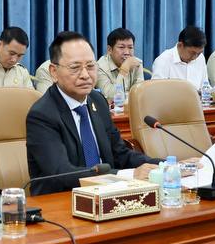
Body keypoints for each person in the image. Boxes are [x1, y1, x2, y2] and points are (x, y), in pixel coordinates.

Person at [25, 31, 156, 194]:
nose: (85, 75)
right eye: (75, 68)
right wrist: (129, 175)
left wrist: (163, 165)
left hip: (107, 194)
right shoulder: (42, 114)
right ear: (54, 72)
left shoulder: (97, 100)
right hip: (62, 199)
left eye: (90, 66)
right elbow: (61, 173)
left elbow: (120, 153)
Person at [96, 27, 145, 100]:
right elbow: (110, 97)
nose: (127, 52)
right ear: (109, 50)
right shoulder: (99, 67)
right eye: (121, 47)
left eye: (130, 47)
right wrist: (124, 69)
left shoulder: (137, 63)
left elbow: (140, 94)